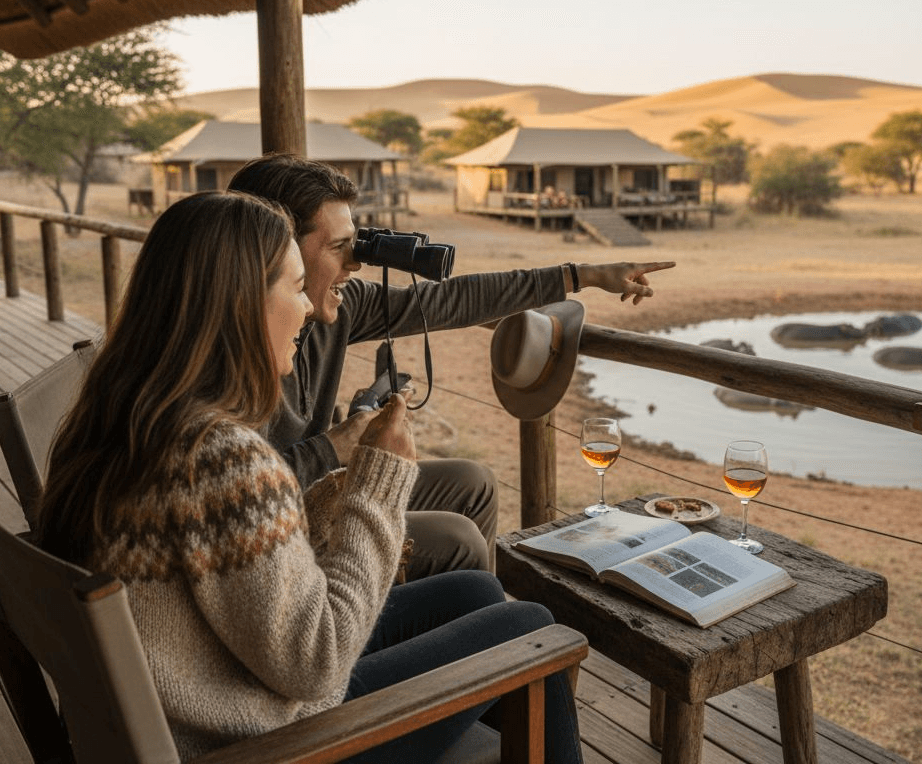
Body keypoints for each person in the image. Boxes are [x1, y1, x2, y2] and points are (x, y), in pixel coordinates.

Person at [33, 191, 581, 762]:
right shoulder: (220, 457)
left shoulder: (122, 421)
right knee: (531, 629)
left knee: (477, 590)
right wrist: (379, 481)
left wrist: (327, 500)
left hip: (214, 695)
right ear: (241, 304)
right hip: (273, 743)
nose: (308, 312)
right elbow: (317, 663)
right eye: (296, 289)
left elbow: (231, 565)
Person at [228, 154, 674, 579]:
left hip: (326, 488)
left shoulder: (338, 309)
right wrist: (334, 446)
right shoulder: (224, 361)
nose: (356, 262)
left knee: (473, 481)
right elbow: (228, 501)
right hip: (280, 532)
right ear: (273, 248)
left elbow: (450, 300)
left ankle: (454, 616)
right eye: (340, 247)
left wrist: (582, 275)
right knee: (457, 540)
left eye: (356, 243)